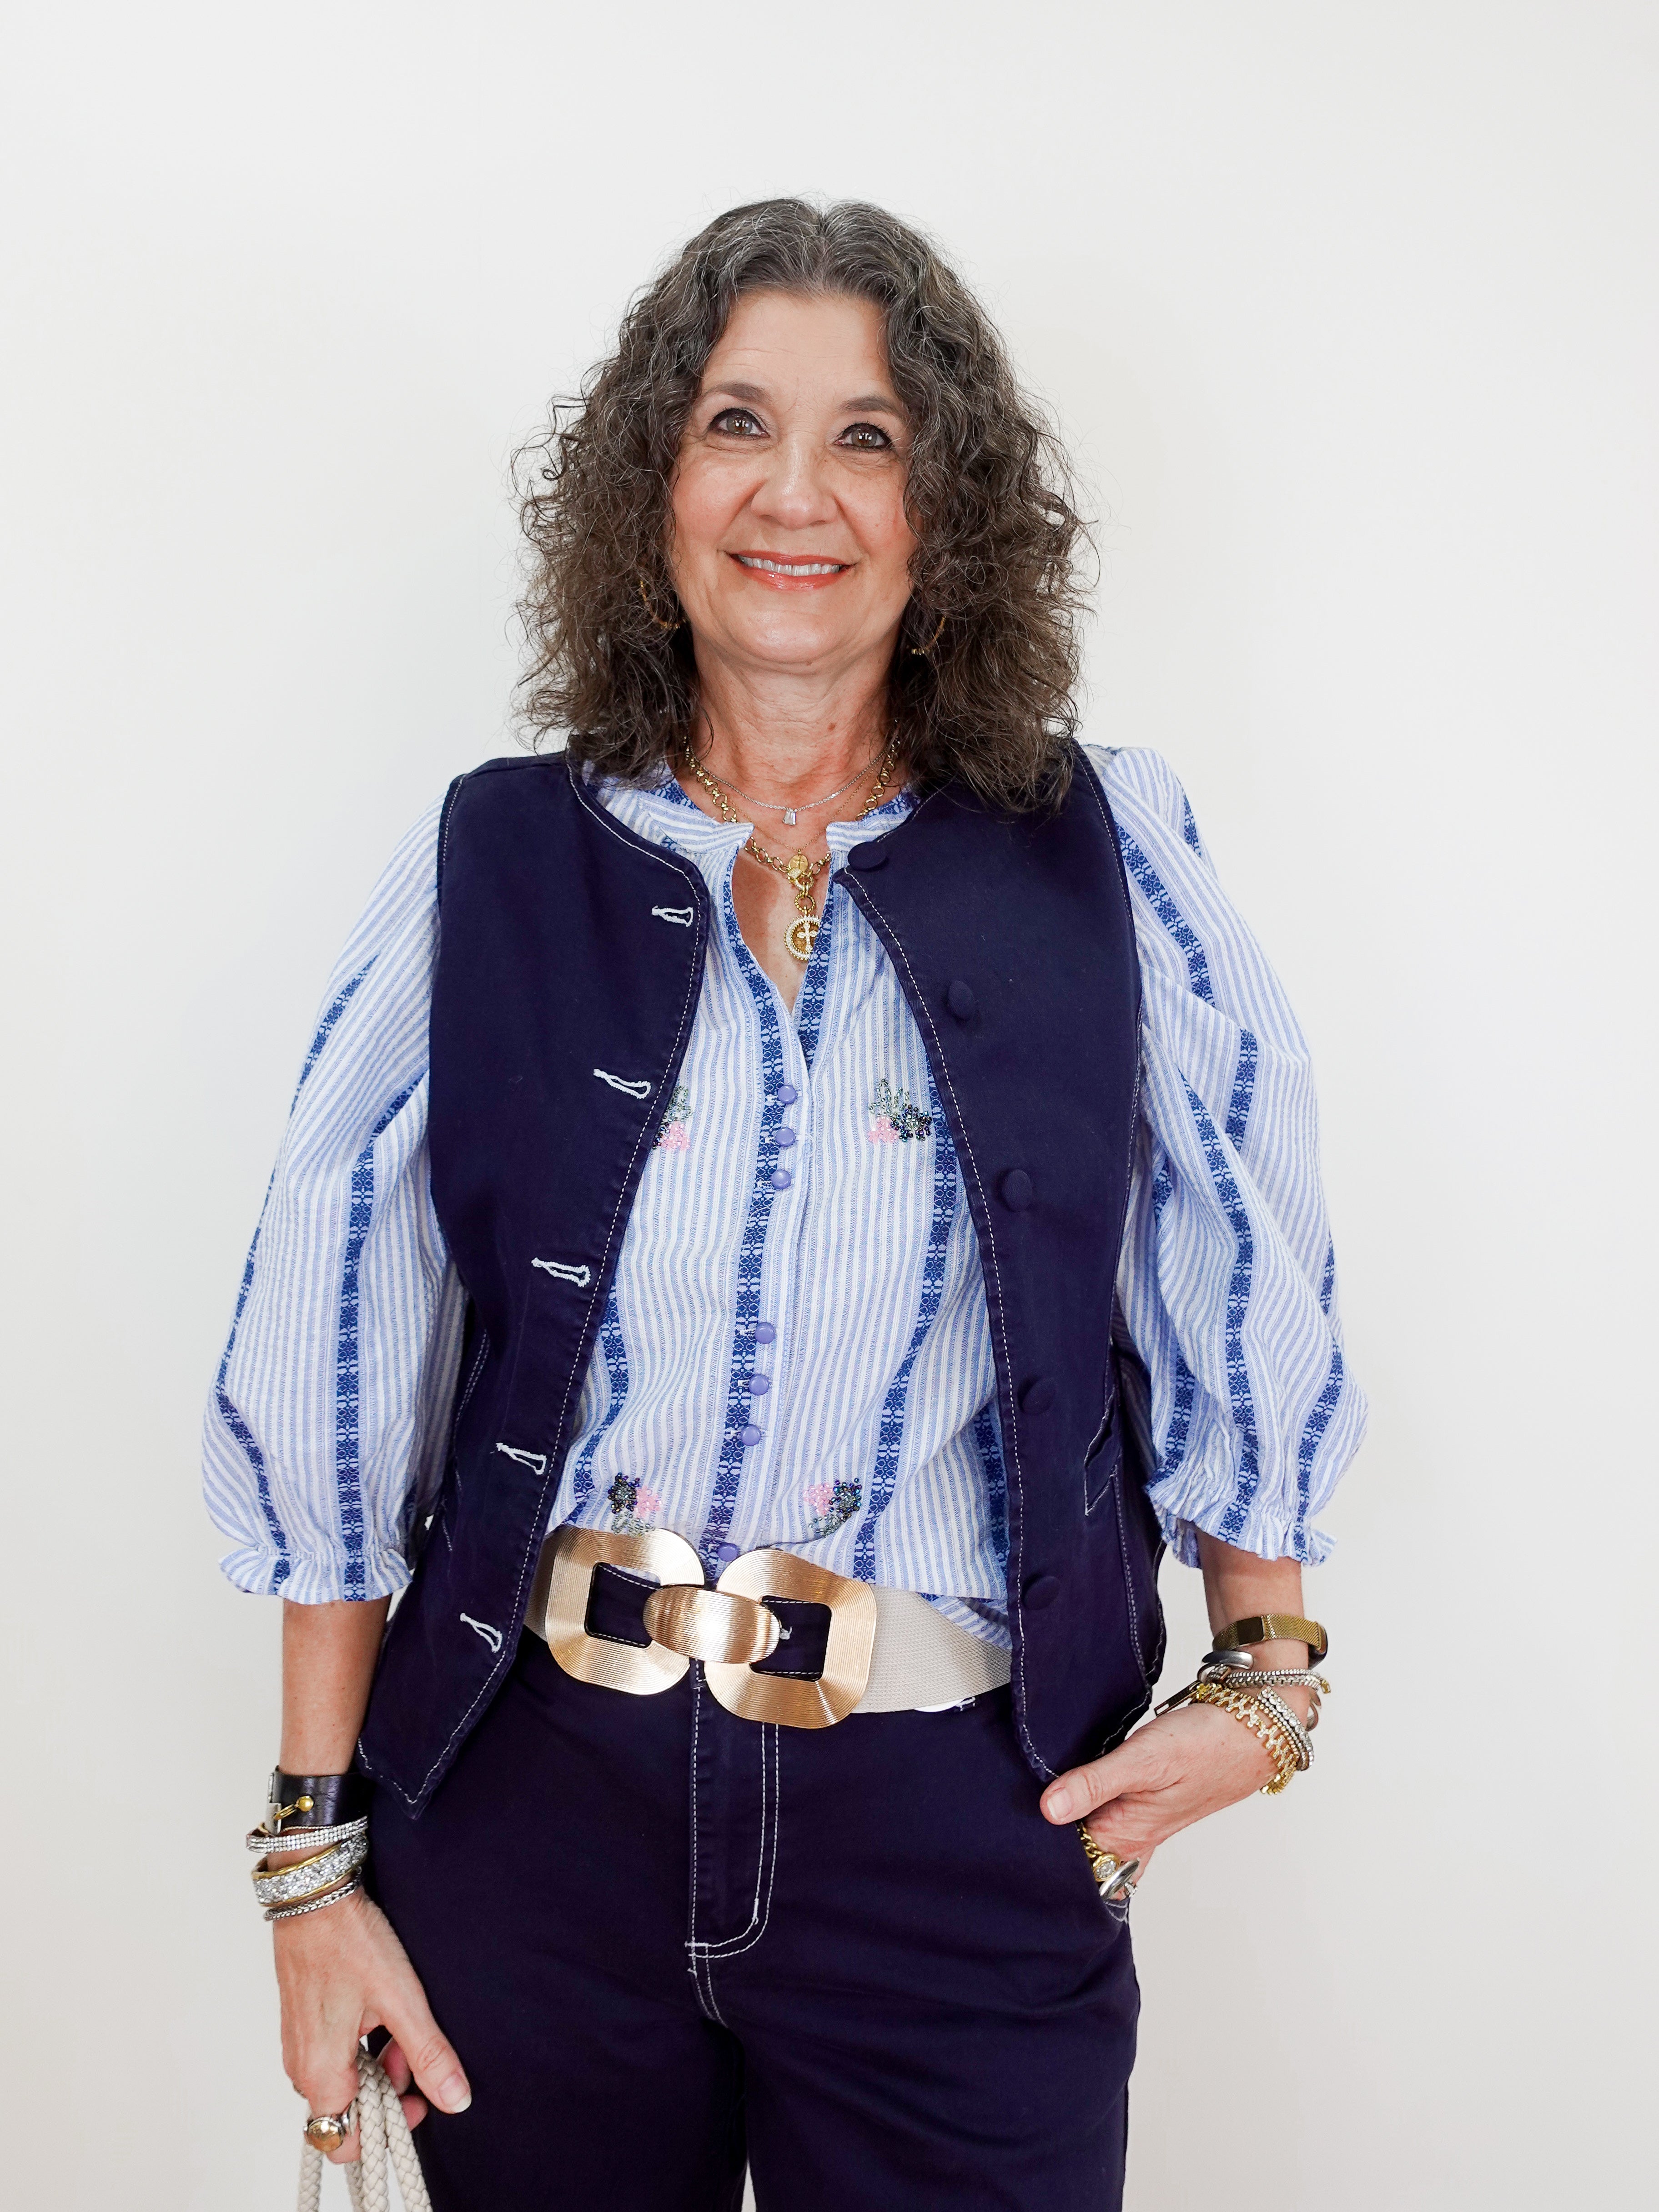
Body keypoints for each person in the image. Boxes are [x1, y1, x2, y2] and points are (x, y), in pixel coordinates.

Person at [206, 198, 1365, 2211]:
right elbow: (331, 1311)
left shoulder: (1105, 852)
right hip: (533, 1808)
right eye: (738, 421)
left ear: (947, 514)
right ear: (654, 480)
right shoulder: (498, 859)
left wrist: (1263, 1684)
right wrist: (315, 1862)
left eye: (869, 436)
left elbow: (1245, 1231)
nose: (795, 493)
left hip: (955, 1820)